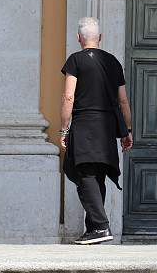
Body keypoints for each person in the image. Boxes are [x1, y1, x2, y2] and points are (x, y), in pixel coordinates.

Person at [60, 17, 133, 244]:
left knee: (86, 173)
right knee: (97, 175)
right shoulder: (113, 62)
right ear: (99, 37)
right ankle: (92, 229)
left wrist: (63, 129)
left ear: (79, 38)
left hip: (84, 125)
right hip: (107, 126)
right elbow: (123, 102)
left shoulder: (75, 60)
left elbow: (68, 96)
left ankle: (101, 227)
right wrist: (127, 129)